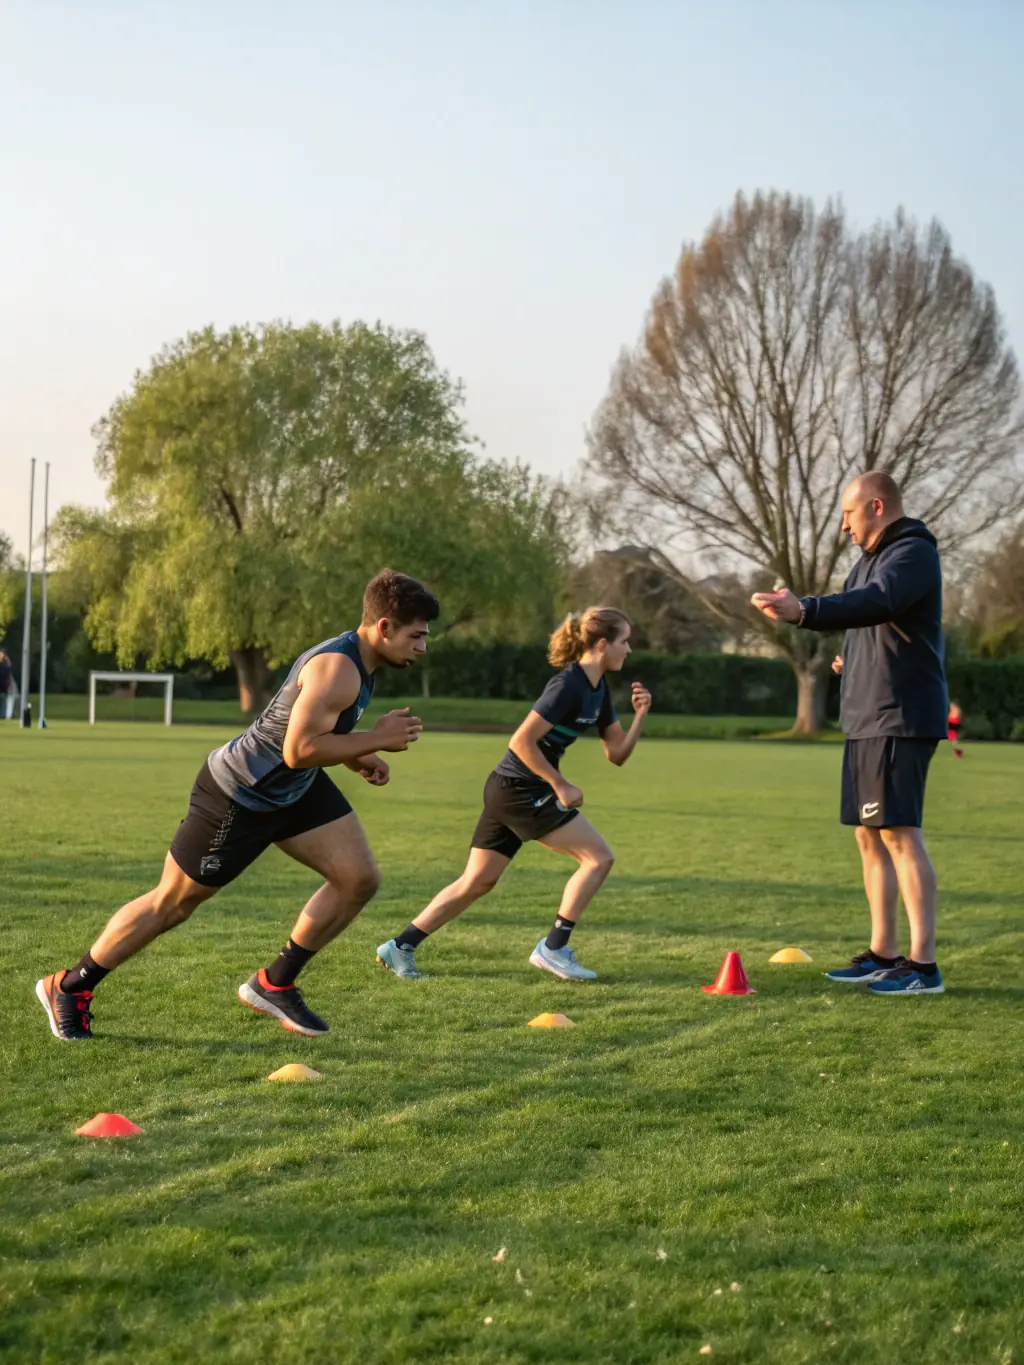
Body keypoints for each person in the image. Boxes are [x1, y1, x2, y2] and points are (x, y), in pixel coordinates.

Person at [36, 569, 438, 1041]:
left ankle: (275, 983)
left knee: (358, 877)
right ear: (385, 627)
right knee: (172, 904)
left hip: (294, 788)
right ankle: (71, 986)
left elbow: (310, 734)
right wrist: (377, 739)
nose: (422, 647)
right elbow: (298, 749)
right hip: (239, 793)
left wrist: (360, 755)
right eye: (417, 635)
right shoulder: (338, 668)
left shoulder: (360, 662)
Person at [376, 607, 652, 983]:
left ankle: (400, 946)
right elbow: (521, 741)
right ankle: (554, 949)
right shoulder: (567, 685)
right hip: (521, 791)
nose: (629, 649)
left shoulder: (598, 689)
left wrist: (639, 717)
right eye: (624, 641)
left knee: (477, 882)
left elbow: (616, 753)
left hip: (510, 790)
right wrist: (560, 785)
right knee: (598, 858)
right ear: (603, 644)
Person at [751, 471, 948, 997]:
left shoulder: (912, 552)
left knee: (900, 833)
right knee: (869, 834)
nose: (844, 527)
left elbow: (879, 603)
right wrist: (852, 660)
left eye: (848, 514)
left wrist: (806, 610)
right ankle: (883, 953)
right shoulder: (867, 561)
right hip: (866, 715)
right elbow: (871, 625)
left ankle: (923, 967)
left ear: (877, 507)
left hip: (899, 715)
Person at [0, 650, 16, 720]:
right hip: (5, 687)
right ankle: (7, 715)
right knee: (7, 701)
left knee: (7, 701)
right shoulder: (6, 666)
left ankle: (6, 715)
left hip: (5, 687)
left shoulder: (5, 666)